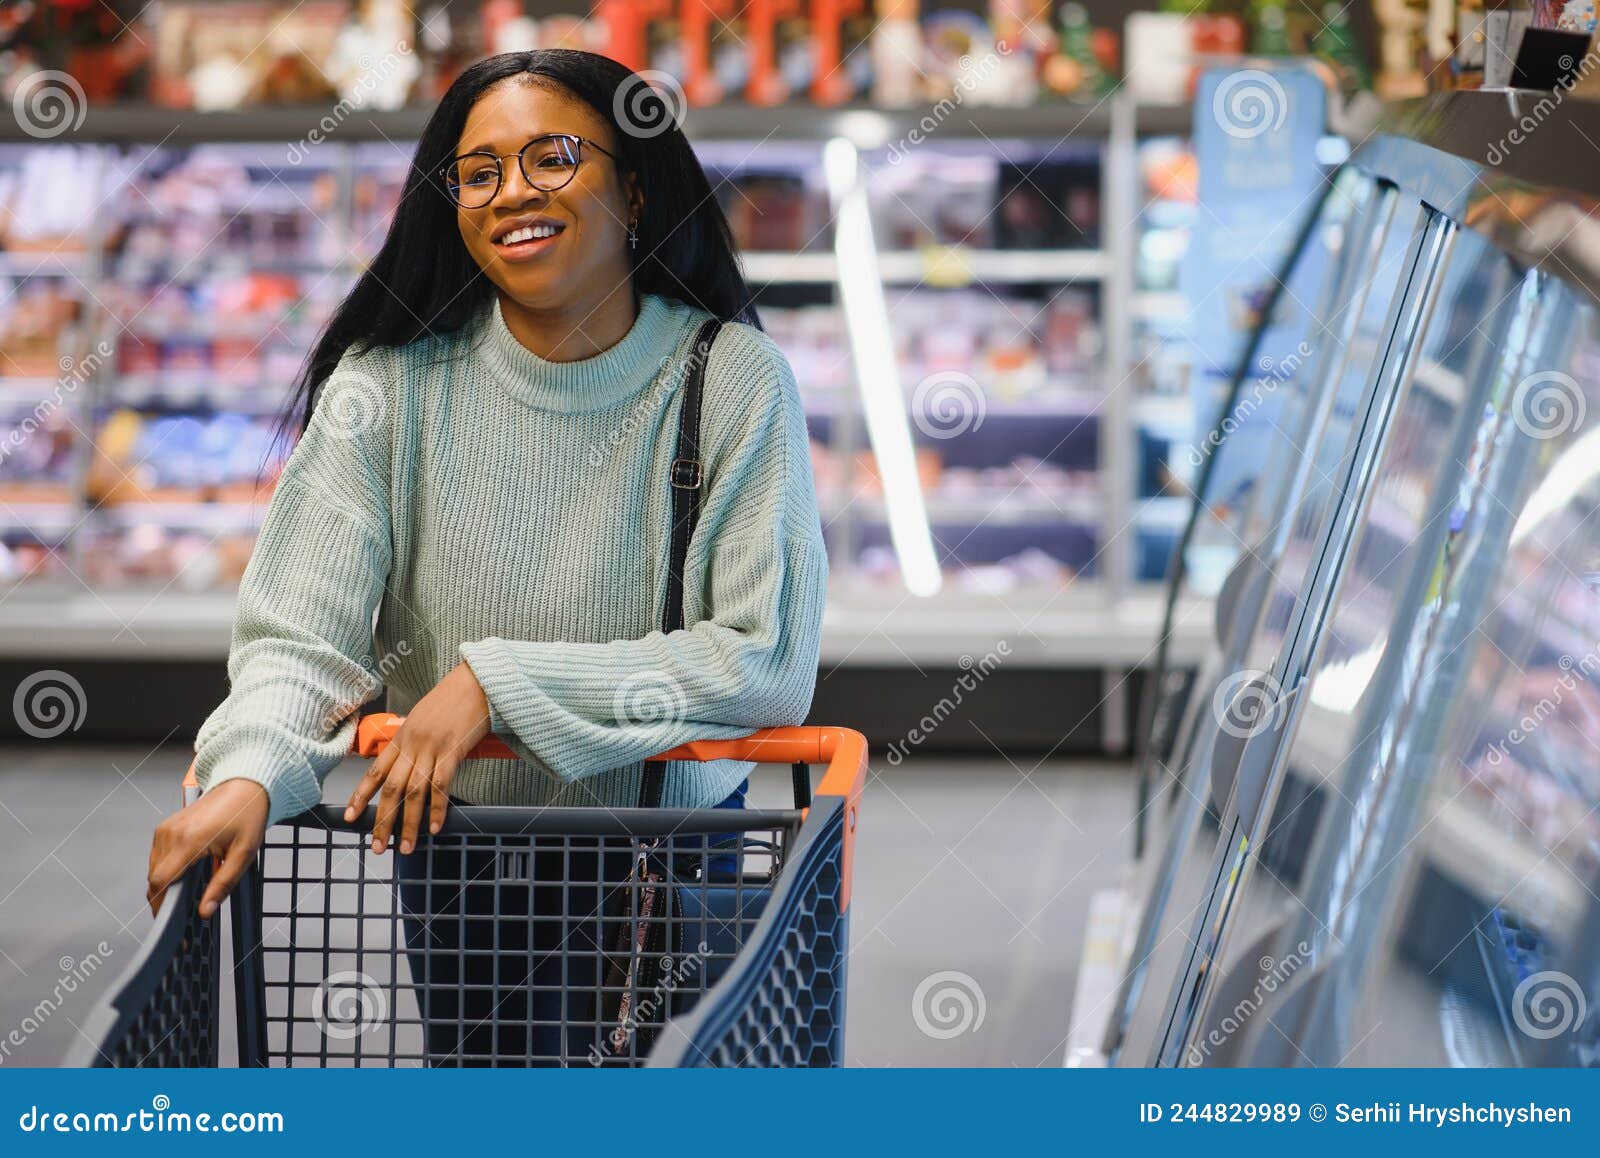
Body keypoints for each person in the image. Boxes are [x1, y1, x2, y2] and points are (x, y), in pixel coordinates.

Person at [144, 48, 829, 1064]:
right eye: (478, 172)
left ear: (633, 187)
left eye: (551, 158)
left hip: (666, 863)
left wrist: (493, 685)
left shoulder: (730, 378)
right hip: (464, 860)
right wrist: (247, 772)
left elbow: (761, 660)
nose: (513, 192)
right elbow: (301, 643)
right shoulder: (390, 388)